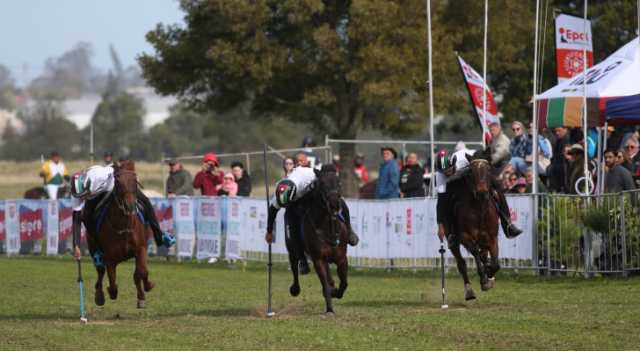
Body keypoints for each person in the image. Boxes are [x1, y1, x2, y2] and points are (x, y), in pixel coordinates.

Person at [70, 163, 175, 265]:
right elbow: (76, 220)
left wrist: (127, 186)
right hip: (96, 195)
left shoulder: (99, 176)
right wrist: (76, 245)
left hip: (112, 184)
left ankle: (159, 236)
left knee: (145, 201)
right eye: (81, 197)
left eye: (84, 195)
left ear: (89, 185)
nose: (82, 199)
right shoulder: (76, 194)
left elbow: (116, 169)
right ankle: (99, 250)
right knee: (86, 217)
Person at [265, 164, 359, 274]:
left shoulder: (309, 175)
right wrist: (269, 231)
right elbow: (272, 212)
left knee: (339, 202)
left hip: (311, 195)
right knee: (292, 225)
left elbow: (325, 181)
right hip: (296, 204)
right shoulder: (280, 195)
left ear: (294, 193)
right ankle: (302, 260)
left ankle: (349, 230)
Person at [439, 145, 522, 240]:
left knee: (498, 188)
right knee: (450, 198)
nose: (447, 174)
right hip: (466, 176)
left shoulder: (461, 161)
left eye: (449, 171)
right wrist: (440, 224)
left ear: (453, 163)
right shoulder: (442, 176)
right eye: (445, 173)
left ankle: (508, 224)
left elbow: (481, 161)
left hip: (480, 168)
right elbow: (441, 201)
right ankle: (452, 232)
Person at [548, 127, 571, 192]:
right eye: (556, 131)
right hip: (558, 164)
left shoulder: (568, 140)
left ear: (565, 129)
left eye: (559, 130)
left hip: (565, 165)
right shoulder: (558, 141)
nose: (557, 133)